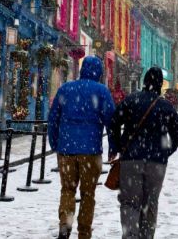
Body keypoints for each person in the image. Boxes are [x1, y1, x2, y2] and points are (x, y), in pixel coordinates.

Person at [109, 66, 178, 239]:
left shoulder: (131, 100)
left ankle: (130, 235)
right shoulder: (166, 106)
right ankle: (146, 236)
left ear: (144, 81)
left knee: (129, 202)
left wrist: (118, 146)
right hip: (156, 163)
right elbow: (177, 134)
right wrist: (165, 152)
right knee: (150, 204)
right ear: (159, 84)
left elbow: (114, 122)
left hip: (131, 160)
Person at [48, 56, 116, 239]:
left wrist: (54, 142)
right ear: (99, 72)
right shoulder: (102, 91)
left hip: (66, 149)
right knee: (88, 194)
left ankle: (65, 224)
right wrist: (113, 146)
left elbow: (53, 119)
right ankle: (84, 232)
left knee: (67, 189)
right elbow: (111, 121)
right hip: (90, 151)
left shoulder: (65, 89)